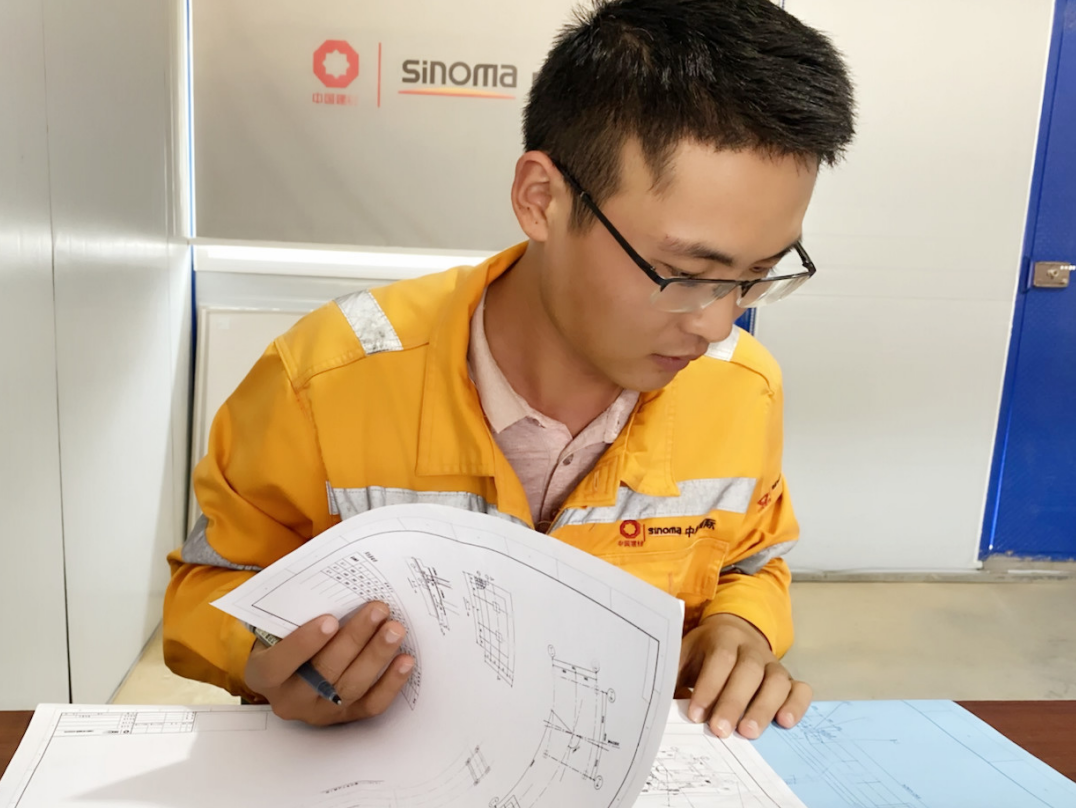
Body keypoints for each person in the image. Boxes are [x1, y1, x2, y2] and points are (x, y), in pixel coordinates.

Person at [164, 0, 855, 740]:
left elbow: (752, 566)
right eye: (685, 273)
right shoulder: (325, 379)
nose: (718, 324)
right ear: (541, 200)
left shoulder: (741, 388)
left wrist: (741, 628)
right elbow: (210, 587)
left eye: (758, 275)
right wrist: (268, 658)